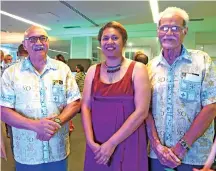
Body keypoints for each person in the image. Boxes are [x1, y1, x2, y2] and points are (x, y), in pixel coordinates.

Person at [0, 25, 81, 171]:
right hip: (27, 153)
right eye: (32, 39)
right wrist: (35, 126)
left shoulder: (62, 69)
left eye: (42, 38)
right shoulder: (11, 73)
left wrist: (57, 121)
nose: (38, 43)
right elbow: (4, 110)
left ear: (48, 42)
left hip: (58, 149)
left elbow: (74, 102)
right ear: (24, 44)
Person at [146, 7, 216, 171]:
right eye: (164, 28)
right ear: (158, 31)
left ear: (185, 31)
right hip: (158, 155)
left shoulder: (201, 61)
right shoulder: (149, 68)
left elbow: (211, 106)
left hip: (195, 155)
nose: (168, 32)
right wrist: (156, 145)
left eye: (175, 28)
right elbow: (145, 111)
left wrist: (182, 146)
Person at [82, 21, 151, 171]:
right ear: (100, 42)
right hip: (98, 143)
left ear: (124, 41)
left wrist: (111, 144)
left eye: (115, 38)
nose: (109, 42)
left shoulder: (138, 69)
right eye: (105, 38)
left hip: (128, 139)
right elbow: (85, 106)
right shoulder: (93, 70)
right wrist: (90, 141)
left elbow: (142, 112)